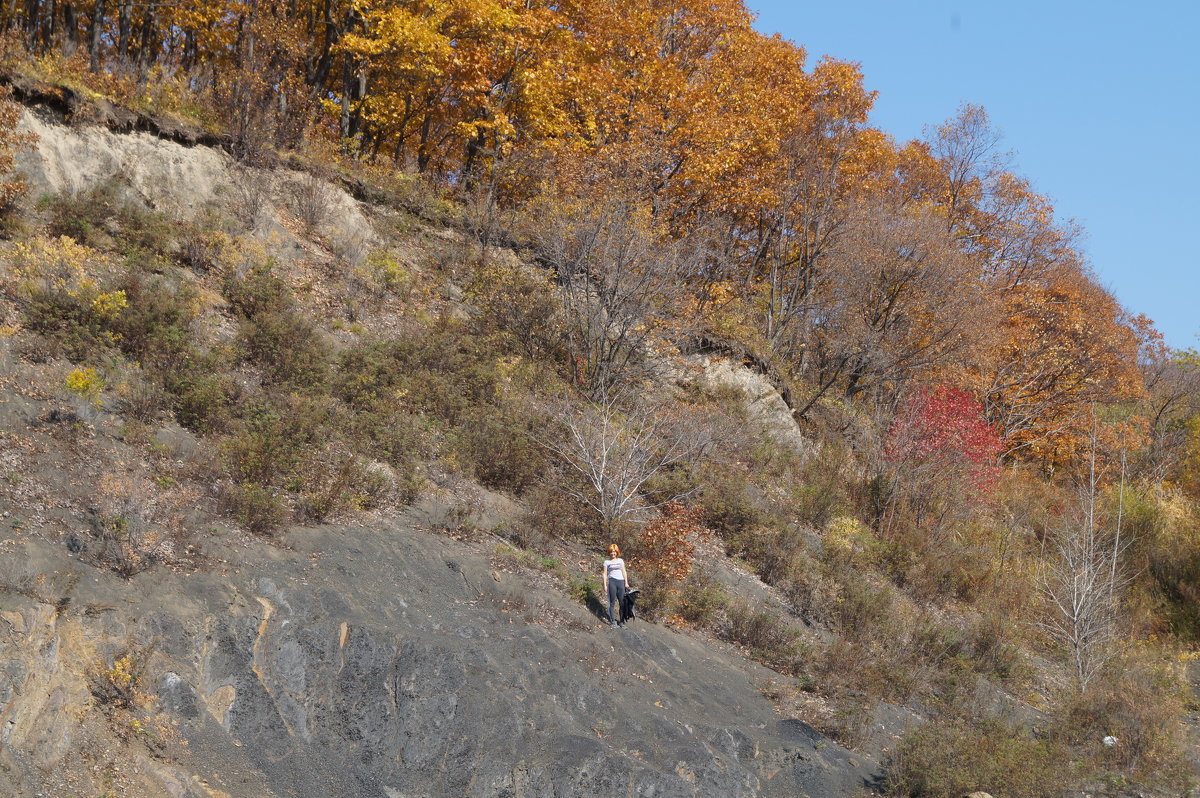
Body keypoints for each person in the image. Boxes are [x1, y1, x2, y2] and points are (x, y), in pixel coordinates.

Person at [602, 544, 630, 628]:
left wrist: (626, 583)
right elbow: (604, 574)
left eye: (614, 552)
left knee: (622, 603)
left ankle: (621, 622)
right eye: (611, 552)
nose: (612, 553)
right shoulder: (607, 562)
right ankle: (613, 621)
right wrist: (605, 585)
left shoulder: (620, 561)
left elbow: (624, 572)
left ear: (617, 552)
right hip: (612, 582)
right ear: (609, 553)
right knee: (612, 602)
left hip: (621, 582)